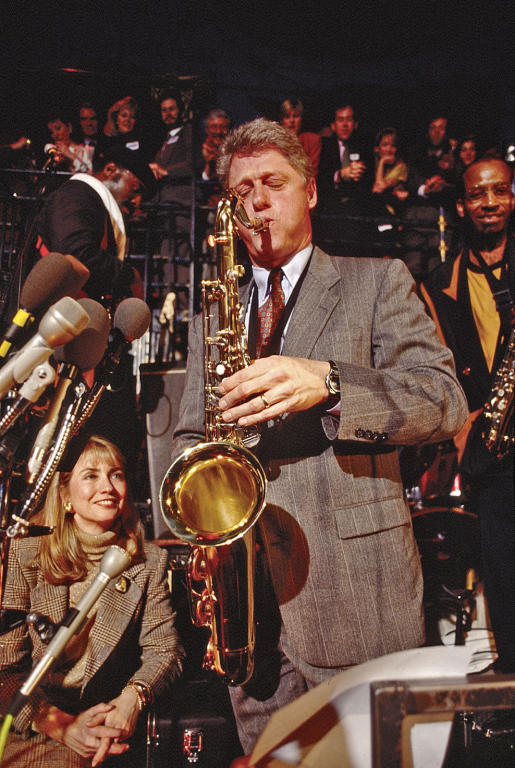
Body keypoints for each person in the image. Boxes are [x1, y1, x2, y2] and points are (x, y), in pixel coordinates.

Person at [170, 118, 469, 753]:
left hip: (356, 593)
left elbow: (443, 402)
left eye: (272, 183)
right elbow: (191, 435)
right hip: (245, 607)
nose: (256, 201)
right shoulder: (215, 310)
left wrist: (330, 381)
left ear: (309, 193)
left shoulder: (377, 279)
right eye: (241, 190)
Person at [0, 434, 183, 767]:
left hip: (101, 720)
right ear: (65, 496)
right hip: (31, 721)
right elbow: (5, 669)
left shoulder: (149, 561)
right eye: (91, 476)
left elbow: (163, 650)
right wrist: (58, 724)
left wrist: (132, 700)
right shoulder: (25, 553)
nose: (108, 487)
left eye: (116, 474)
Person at [420, 157, 514, 673]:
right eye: (479, 194)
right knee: (503, 571)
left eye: (500, 191)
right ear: (462, 205)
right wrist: (465, 435)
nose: (490, 202)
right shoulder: (440, 283)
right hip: (493, 448)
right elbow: (440, 369)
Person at [36, 143, 155, 304]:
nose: (137, 202)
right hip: (45, 314)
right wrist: (129, 274)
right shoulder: (75, 195)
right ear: (110, 170)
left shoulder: (90, 201)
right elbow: (75, 254)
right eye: (135, 189)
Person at [279, 97, 321, 177]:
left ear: (301, 118)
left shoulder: (313, 140)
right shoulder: (275, 142)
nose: (291, 120)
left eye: (295, 116)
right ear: (282, 120)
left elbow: (312, 172)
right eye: (287, 116)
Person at [371, 126, 409, 214]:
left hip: (390, 212)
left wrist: (382, 162)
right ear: (376, 149)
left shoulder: (401, 167)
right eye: (385, 145)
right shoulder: (371, 165)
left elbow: (379, 188)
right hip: (372, 210)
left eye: (393, 146)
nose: (389, 149)